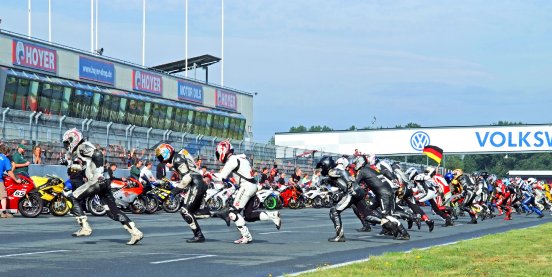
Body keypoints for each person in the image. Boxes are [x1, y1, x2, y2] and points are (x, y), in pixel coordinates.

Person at [62, 128, 143, 245]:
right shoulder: (82, 149)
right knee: (112, 212)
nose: (67, 145)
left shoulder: (82, 146)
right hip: (103, 181)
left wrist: (98, 172)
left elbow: (98, 154)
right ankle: (135, 232)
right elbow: (87, 166)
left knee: (71, 196)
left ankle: (85, 226)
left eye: (67, 142)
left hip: (97, 180)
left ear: (73, 139)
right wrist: (70, 164)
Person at [212, 140, 281, 244]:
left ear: (223, 151)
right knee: (248, 216)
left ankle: (246, 236)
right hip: (252, 185)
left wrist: (206, 174)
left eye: (218, 153)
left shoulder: (232, 160)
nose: (218, 156)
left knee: (232, 213)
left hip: (246, 186)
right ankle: (272, 215)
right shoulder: (241, 158)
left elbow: (220, 177)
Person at [155, 143, 218, 243]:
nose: (160, 158)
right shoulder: (181, 154)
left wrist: (174, 192)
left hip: (195, 183)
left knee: (185, 211)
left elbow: (187, 177)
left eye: (161, 156)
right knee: (193, 212)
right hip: (197, 181)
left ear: (166, 153)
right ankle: (222, 213)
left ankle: (199, 235)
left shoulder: (177, 159)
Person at [351, 155, 410, 240]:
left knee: (386, 215)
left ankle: (404, 232)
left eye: (356, 163)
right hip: (387, 192)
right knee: (376, 211)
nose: (355, 165)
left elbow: (355, 183)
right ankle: (388, 228)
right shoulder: (371, 170)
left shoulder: (362, 171)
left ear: (360, 162)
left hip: (383, 194)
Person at [315, 156, 373, 242]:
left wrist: (345, 187)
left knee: (334, 211)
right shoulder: (334, 172)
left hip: (352, 193)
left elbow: (343, 175)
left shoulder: (334, 171)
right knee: (368, 215)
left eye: (322, 167)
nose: (321, 169)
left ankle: (340, 236)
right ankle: (394, 225)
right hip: (356, 192)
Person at [0, 144, 20, 218]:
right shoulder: (5, 159)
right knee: (3, 196)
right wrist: (16, 180)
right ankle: (4, 213)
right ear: (7, 152)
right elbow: (9, 172)